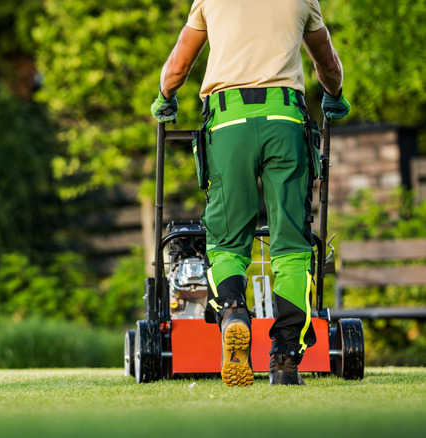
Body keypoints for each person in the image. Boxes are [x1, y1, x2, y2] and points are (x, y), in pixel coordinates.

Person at [150, 0, 351, 386]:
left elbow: (178, 66)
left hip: (228, 124)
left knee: (226, 242)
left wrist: (165, 96)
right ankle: (285, 358)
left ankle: (232, 312)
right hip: (285, 120)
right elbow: (327, 64)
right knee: (291, 245)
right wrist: (334, 94)